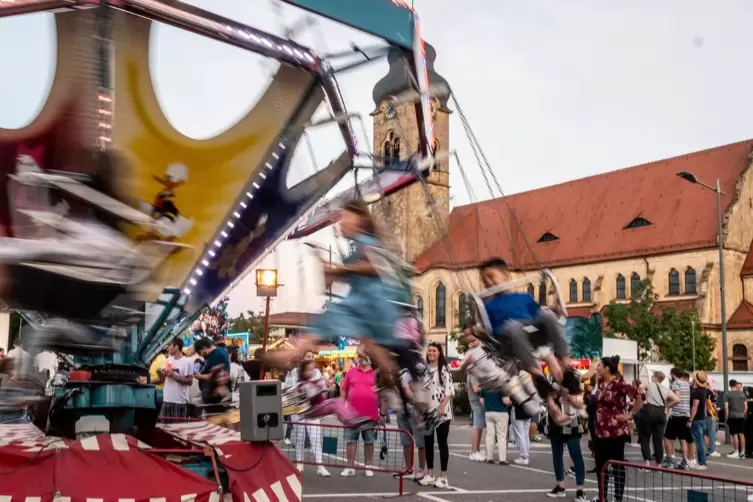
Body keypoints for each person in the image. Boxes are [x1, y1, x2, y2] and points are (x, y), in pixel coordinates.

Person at [263, 200, 404, 375]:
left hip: (372, 303)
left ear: (359, 220)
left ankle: (293, 354)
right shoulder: (354, 246)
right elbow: (341, 280)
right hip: (364, 304)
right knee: (372, 345)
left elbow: (377, 267)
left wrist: (340, 270)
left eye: (346, 217)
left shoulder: (366, 241)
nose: (341, 222)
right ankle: (398, 380)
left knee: (330, 319)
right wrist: (330, 274)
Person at [475, 258, 578, 423]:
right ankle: (550, 401)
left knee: (546, 316)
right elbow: (488, 332)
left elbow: (540, 315)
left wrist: (554, 310)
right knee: (513, 327)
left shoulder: (523, 297)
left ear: (506, 275)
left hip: (532, 332)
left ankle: (567, 368)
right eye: (484, 280)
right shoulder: (488, 305)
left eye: (491, 276)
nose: (488, 282)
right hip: (509, 338)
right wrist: (480, 332)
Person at [592, 355, 642, 502]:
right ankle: (602, 496)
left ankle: (617, 498)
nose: (597, 368)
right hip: (600, 430)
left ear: (607, 368)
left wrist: (630, 415)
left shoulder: (619, 384)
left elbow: (639, 396)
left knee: (617, 465)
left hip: (615, 431)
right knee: (601, 465)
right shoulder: (600, 383)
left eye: (600, 366)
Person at [284, 350, 329, 477]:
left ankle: (320, 465)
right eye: (307, 356)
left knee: (315, 437)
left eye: (312, 357)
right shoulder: (293, 372)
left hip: (313, 409)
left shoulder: (317, 372)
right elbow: (289, 389)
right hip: (298, 409)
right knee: (299, 437)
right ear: (302, 359)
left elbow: (322, 389)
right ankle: (300, 463)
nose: (310, 358)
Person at [419, 342, 454, 489]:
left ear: (439, 353)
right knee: (428, 442)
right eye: (429, 351)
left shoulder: (444, 369)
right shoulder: (425, 370)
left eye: (434, 351)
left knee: (442, 442)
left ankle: (444, 477)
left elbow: (449, 390)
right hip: (427, 411)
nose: (431, 353)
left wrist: (442, 405)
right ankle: (430, 473)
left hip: (442, 412)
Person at [546, 378, 587, 502]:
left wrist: (566, 394)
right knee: (557, 454)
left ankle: (580, 489)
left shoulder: (571, 376)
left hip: (571, 422)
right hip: (555, 422)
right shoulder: (551, 377)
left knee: (576, 454)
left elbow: (579, 400)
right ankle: (560, 485)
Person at [340, 351, 380, 477]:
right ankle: (350, 467)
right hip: (352, 415)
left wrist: (383, 414)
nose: (361, 359)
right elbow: (344, 390)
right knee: (350, 441)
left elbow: (383, 395)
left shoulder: (376, 374)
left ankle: (368, 466)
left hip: (370, 415)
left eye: (364, 356)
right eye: (360, 356)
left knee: (369, 442)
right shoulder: (351, 372)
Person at [638, 371, 678, 467]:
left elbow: (640, 386)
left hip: (648, 411)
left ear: (655, 378)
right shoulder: (666, 389)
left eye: (653, 376)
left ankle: (647, 462)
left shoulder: (650, 385)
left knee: (645, 438)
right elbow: (677, 399)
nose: (651, 377)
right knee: (658, 439)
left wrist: (643, 394)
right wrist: (667, 406)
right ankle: (659, 464)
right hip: (660, 413)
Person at [157, 338, 194, 418]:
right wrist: (160, 373)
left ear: (176, 347)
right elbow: (163, 379)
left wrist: (174, 376)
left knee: (178, 427)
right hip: (167, 399)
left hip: (180, 401)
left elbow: (190, 381)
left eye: (170, 345)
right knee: (164, 427)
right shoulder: (168, 360)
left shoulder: (187, 362)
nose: (168, 347)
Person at [662, 367, 691, 470]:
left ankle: (669, 461)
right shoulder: (687, 384)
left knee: (667, 438)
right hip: (685, 414)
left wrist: (668, 406)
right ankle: (684, 462)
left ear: (673, 374)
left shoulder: (675, 383)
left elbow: (677, 399)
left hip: (676, 414)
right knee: (683, 439)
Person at [464, 328, 485, 461]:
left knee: (480, 425)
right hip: (476, 400)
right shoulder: (473, 371)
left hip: (478, 399)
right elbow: (476, 388)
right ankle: (474, 451)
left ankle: (476, 450)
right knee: (477, 425)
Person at [193, 338, 230, 404]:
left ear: (204, 348)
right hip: (211, 390)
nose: (200, 355)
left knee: (196, 402)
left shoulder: (216, 355)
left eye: (199, 352)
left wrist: (200, 376)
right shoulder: (214, 353)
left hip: (215, 392)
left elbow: (216, 374)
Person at [480, 386, 510, 465]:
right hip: (501, 412)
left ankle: (489, 457)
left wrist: (487, 407)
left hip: (488, 412)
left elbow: (482, 400)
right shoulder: (502, 386)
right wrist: (510, 402)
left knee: (490, 435)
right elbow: (505, 401)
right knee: (501, 436)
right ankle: (502, 459)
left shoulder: (485, 386)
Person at [689, 371, 710, 470]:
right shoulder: (704, 390)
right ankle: (702, 462)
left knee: (699, 441)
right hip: (703, 418)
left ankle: (702, 463)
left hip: (697, 419)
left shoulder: (696, 392)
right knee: (701, 440)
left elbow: (695, 406)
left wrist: (690, 419)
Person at [725, 379, 748, 458]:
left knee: (734, 434)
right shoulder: (742, 394)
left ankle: (736, 451)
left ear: (730, 385)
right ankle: (743, 452)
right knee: (741, 434)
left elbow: (726, 407)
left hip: (732, 416)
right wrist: (742, 414)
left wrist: (727, 416)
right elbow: (746, 407)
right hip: (741, 416)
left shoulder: (727, 394)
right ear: (736, 385)